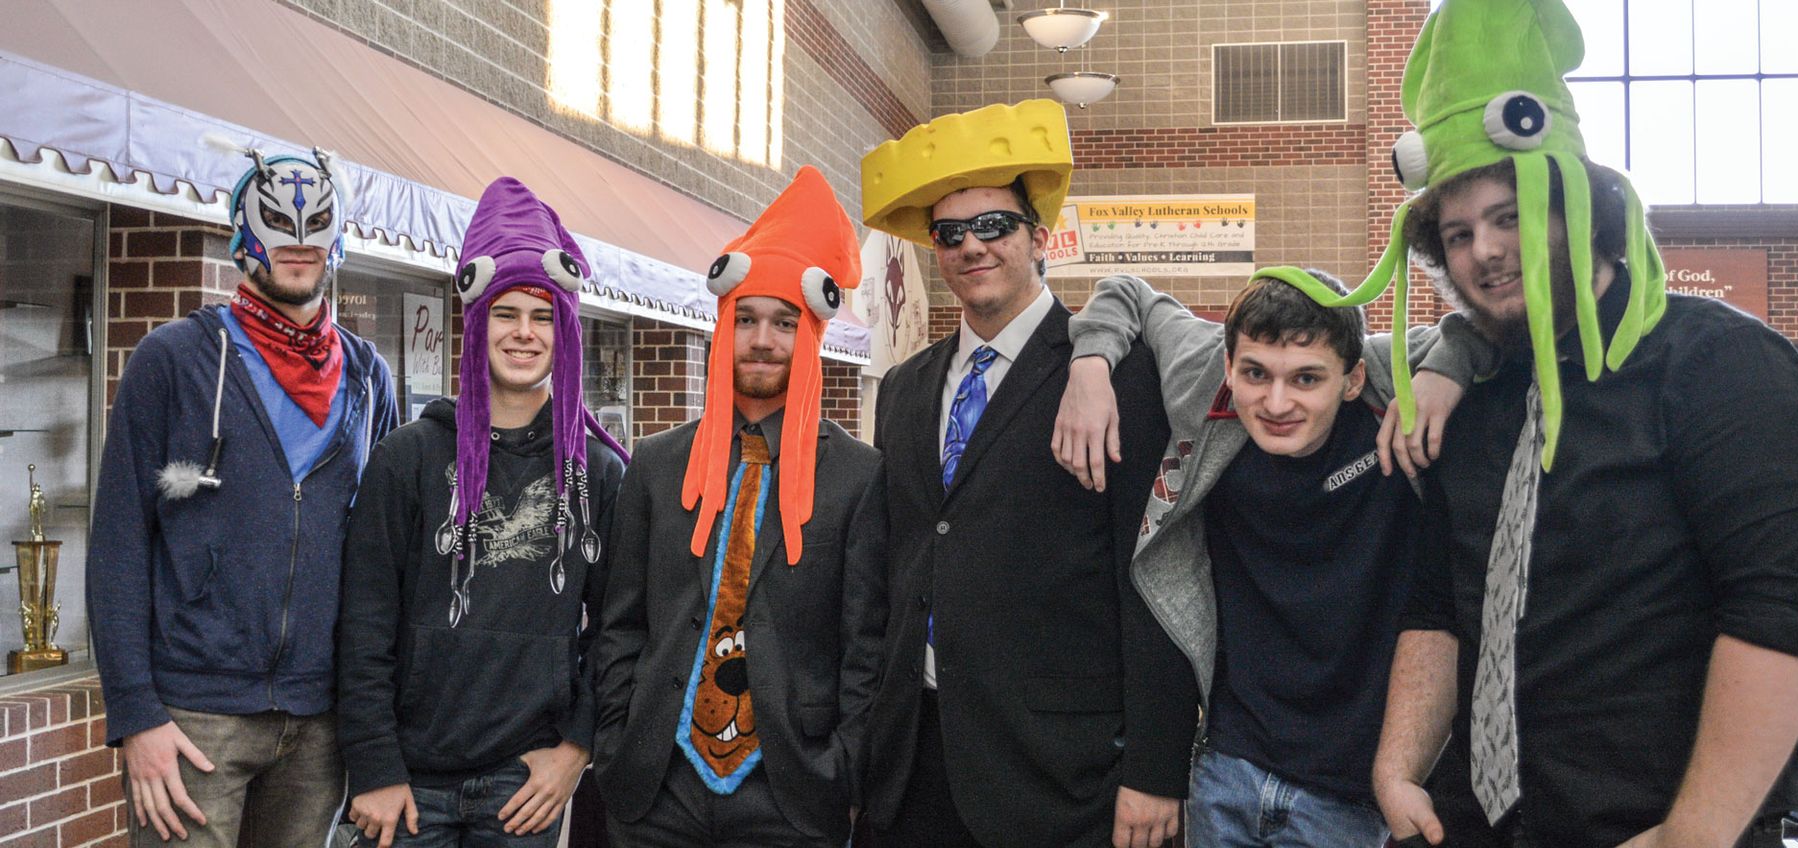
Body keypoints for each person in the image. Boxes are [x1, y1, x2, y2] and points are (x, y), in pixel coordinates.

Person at [1360, 2, 1798, 846]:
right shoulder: (1472, 393)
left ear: (1580, 201)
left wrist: (1694, 834)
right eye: (1460, 231)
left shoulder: (1718, 363)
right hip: (1476, 826)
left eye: (1510, 215)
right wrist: (1397, 765)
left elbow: (1777, 612)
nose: (1485, 251)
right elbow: (1438, 603)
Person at [857, 99, 1199, 848]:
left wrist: (1156, 766)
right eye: (950, 233)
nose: (971, 246)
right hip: (915, 761)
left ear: (1039, 238)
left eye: (994, 226)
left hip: (1062, 776)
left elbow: (1154, 576)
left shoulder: (1112, 374)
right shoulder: (907, 388)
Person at [1050, 269, 1485, 847]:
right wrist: (1089, 368)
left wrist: (1445, 369)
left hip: (1353, 795)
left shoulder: (1392, 379)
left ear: (1352, 379)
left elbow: (1503, 325)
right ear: (1230, 365)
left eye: (1307, 378)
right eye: (1255, 374)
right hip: (1227, 770)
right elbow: (1129, 293)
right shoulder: (1206, 374)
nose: (1276, 402)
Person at [87, 145, 399, 846]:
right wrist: (136, 714)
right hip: (193, 719)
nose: (297, 246)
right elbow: (118, 544)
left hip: (320, 724)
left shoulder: (368, 377)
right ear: (241, 235)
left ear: (338, 237)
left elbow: (384, 556)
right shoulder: (171, 361)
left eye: (314, 228)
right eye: (278, 229)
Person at [590, 166, 886, 848]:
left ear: (809, 335)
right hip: (656, 786)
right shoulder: (657, 465)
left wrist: (841, 769)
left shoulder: (859, 477)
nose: (762, 339)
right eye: (746, 319)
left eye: (784, 323)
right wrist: (617, 742)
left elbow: (866, 646)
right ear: (723, 325)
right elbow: (619, 622)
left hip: (791, 790)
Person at [335, 177, 628, 847]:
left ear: (565, 330)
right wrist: (374, 766)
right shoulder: (404, 458)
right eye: (505, 312)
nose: (524, 333)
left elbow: (618, 628)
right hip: (408, 784)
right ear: (475, 320)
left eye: (543, 315)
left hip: (524, 784)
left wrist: (575, 750)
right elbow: (364, 624)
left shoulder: (602, 473)